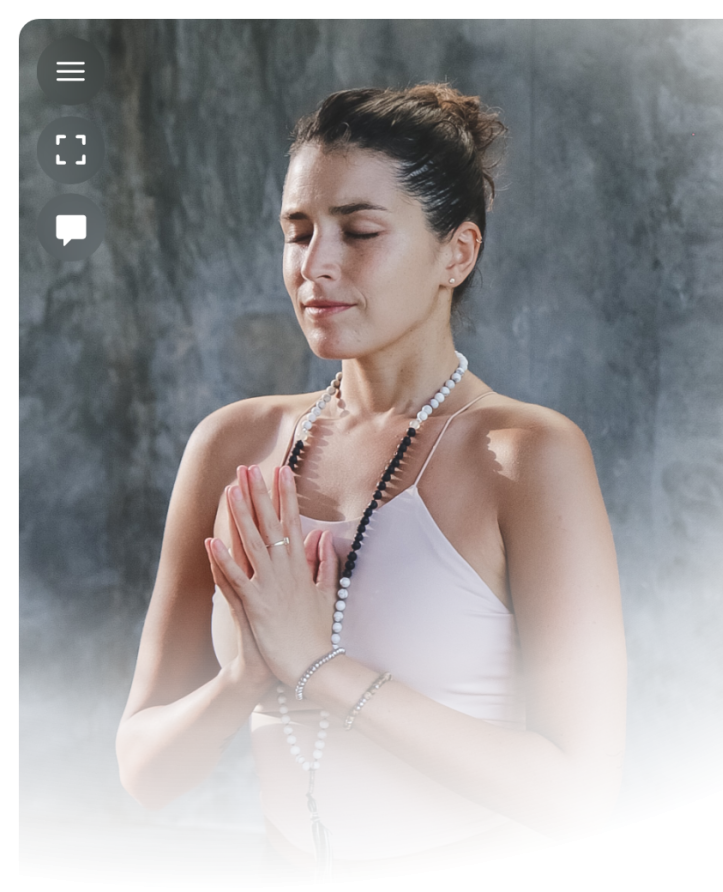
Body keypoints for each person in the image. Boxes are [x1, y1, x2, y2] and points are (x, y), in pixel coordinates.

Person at [116, 85, 628, 884]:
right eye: (298, 231)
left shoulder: (528, 455)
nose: (314, 264)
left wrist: (318, 667)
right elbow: (147, 773)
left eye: (358, 231)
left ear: (457, 253)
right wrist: (245, 679)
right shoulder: (232, 445)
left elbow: (578, 798)